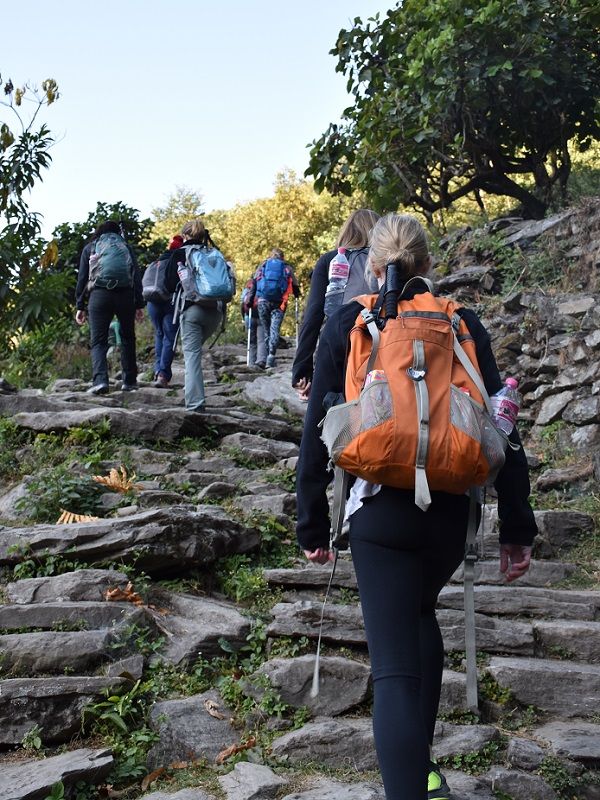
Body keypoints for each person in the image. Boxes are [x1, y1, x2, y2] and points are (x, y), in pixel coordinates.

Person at [295, 213, 537, 800]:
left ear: (371, 266)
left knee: (394, 671)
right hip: (449, 514)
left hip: (379, 513)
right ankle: (422, 772)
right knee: (421, 615)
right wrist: (517, 525)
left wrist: (311, 521)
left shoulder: (351, 320)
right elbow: (501, 423)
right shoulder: (461, 323)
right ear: (427, 264)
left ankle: (408, 783)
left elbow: (315, 429)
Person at [292, 208, 380, 400]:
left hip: (337, 341)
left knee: (321, 416)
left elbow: (313, 316)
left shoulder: (330, 260)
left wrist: (303, 369)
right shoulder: (386, 262)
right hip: (382, 341)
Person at [75, 220, 144, 394]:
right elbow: (135, 275)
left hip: (99, 296)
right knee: (128, 338)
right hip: (125, 295)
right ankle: (129, 381)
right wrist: (139, 303)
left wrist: (80, 306)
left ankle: (100, 381)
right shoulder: (125, 247)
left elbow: (82, 278)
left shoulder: (91, 247)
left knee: (99, 341)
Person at [165, 218, 223, 411]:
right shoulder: (214, 252)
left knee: (192, 358)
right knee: (195, 352)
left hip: (192, 311)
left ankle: (195, 404)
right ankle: (196, 396)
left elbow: (168, 283)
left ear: (185, 235)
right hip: (215, 312)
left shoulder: (180, 253)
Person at [146, 234, 183, 388]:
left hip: (152, 301)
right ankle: (163, 374)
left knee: (159, 334)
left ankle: (157, 372)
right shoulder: (179, 260)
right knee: (170, 337)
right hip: (170, 302)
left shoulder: (158, 261)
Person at [253, 248, 295, 369]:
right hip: (279, 303)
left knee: (266, 331)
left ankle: (266, 357)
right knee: (274, 329)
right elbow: (295, 285)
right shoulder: (286, 267)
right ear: (282, 257)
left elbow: (255, 280)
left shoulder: (263, 265)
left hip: (263, 302)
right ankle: (271, 356)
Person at [240, 275, 267, 368]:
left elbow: (242, 303)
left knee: (251, 341)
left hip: (249, 316)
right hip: (261, 316)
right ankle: (261, 360)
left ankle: (251, 362)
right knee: (261, 340)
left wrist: (243, 317)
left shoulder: (247, 289)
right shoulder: (263, 286)